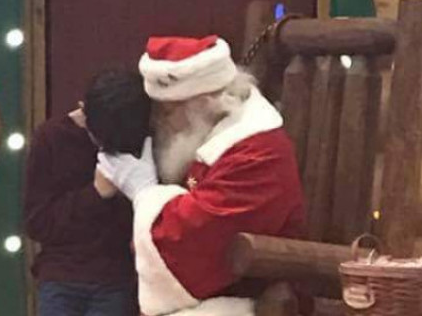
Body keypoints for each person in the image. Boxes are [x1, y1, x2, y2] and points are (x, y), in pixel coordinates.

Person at [98, 35, 307, 316]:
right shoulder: (203, 133)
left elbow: (192, 245)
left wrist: (144, 192)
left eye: (168, 112)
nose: (159, 123)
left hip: (252, 297)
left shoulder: (256, 153)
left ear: (206, 103)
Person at [23, 70, 150, 316]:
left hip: (116, 276)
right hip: (62, 273)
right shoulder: (51, 138)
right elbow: (38, 224)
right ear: (83, 110)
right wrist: (95, 194)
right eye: (99, 138)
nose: (104, 147)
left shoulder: (137, 138)